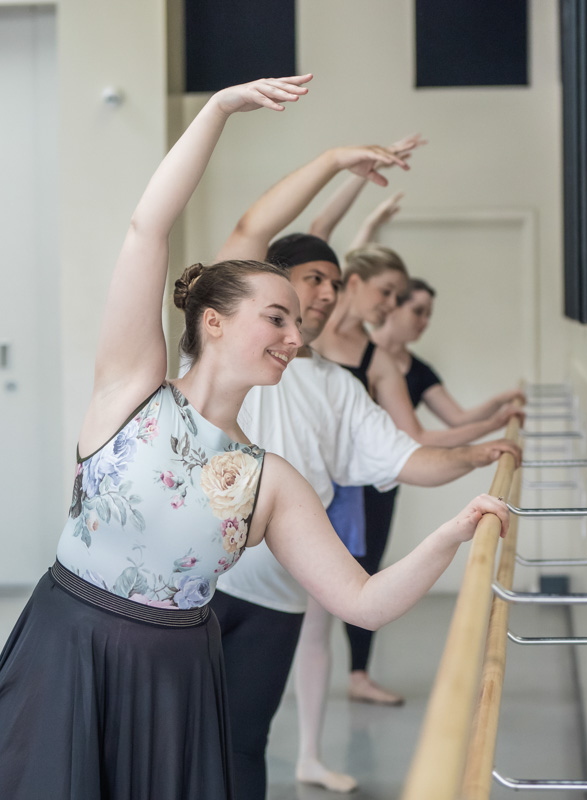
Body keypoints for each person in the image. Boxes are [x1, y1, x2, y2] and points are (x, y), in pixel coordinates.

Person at [0, 74, 511, 800]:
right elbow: (149, 227)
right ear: (214, 321)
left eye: (298, 325)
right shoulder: (132, 386)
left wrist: (454, 533)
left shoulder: (272, 479)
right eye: (278, 316)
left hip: (175, 675)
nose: (295, 334)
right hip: (65, 642)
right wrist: (217, 111)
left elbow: (362, 601)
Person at [209, 146, 522, 795]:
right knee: (172, 737)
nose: (326, 291)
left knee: (243, 743)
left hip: (276, 595)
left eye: (333, 280)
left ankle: (308, 758)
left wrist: (478, 456)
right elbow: (250, 232)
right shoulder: (233, 346)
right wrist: (334, 165)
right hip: (198, 580)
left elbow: (409, 456)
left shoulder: (338, 385)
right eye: (314, 279)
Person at [372, 276, 526, 416]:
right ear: (393, 306)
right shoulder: (359, 350)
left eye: (428, 315)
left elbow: (458, 418)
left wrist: (499, 401)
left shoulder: (419, 371)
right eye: (418, 311)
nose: (425, 322)